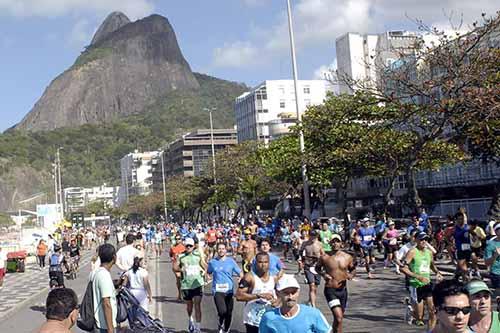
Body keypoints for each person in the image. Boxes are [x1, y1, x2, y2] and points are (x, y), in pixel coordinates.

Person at [259, 274, 332, 333]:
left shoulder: (313, 314)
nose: (290, 297)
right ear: (278, 293)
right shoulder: (268, 317)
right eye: (286, 293)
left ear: (298, 292)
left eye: (293, 292)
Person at [402, 232, 443, 329]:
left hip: (427, 284)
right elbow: (403, 268)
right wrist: (417, 276)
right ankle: (411, 311)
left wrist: (437, 272)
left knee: (432, 310)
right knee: (419, 317)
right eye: (421, 239)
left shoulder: (429, 252)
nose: (424, 241)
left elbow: (432, 265)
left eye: (425, 239)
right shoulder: (412, 252)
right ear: (416, 240)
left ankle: (430, 331)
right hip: (416, 285)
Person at [316, 234, 356, 333]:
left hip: (343, 291)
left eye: (337, 241)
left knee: (339, 319)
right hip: (330, 290)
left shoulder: (348, 257)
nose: (335, 243)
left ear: (341, 243)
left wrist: (351, 275)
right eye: (333, 241)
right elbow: (317, 268)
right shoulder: (324, 257)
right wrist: (323, 274)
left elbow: (353, 269)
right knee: (338, 318)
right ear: (329, 243)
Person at [237, 252, 279, 333]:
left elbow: (281, 295)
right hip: (252, 318)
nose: (263, 265)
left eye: (266, 262)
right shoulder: (249, 277)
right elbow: (239, 296)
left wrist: (276, 302)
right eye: (260, 262)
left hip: (269, 317)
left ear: (269, 263)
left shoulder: (274, 278)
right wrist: (258, 296)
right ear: (255, 263)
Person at [207, 242, 243, 333]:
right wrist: (207, 276)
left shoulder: (231, 261)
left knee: (229, 313)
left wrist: (241, 278)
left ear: (226, 250)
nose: (221, 250)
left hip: (229, 291)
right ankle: (220, 322)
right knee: (222, 311)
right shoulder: (212, 262)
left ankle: (226, 329)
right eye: (219, 249)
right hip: (217, 290)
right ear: (217, 250)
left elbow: (240, 272)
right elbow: (208, 272)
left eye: (223, 249)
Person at [174, 238, 207, 333]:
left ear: (193, 246)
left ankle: (198, 328)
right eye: (187, 246)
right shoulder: (181, 256)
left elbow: (204, 265)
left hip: (197, 283)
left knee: (197, 304)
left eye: (190, 246)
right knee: (189, 306)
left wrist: (207, 271)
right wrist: (181, 269)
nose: (188, 247)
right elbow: (175, 267)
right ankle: (190, 319)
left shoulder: (198, 255)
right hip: (186, 285)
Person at [90, 243, 117, 333]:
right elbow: (106, 303)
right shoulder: (104, 275)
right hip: (104, 326)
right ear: (114, 257)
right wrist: (110, 328)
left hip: (98, 323)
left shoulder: (96, 272)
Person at [299, 230, 324, 307]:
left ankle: (310, 300)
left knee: (315, 287)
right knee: (312, 285)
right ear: (309, 236)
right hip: (308, 265)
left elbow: (323, 254)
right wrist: (301, 260)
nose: (313, 238)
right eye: (311, 236)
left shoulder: (319, 244)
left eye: (314, 236)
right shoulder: (305, 243)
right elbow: (300, 252)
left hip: (317, 266)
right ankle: (313, 305)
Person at [170, 234, 186, 300]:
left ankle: (184, 293)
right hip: (176, 265)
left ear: (181, 239)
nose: (177, 240)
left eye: (179, 239)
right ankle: (179, 294)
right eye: (176, 239)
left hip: (183, 265)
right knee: (179, 279)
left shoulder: (184, 247)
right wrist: (173, 258)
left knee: (184, 280)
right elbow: (170, 255)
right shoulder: (172, 247)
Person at [485, 223, 500, 289]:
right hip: (497, 274)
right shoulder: (490, 244)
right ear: (496, 231)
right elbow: (487, 263)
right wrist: (495, 255)